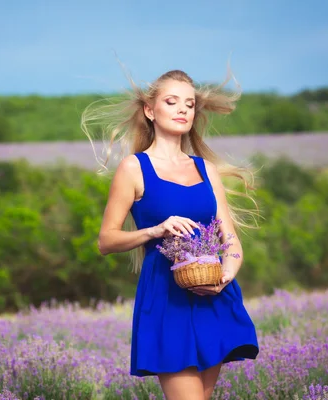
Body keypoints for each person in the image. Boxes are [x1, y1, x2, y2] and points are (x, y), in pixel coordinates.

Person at [81, 68, 260, 400]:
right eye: (172, 101)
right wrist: (154, 230)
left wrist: (225, 276)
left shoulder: (204, 168)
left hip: (215, 296)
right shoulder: (134, 168)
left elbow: (230, 238)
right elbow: (106, 240)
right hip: (167, 301)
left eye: (190, 104)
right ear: (150, 111)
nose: (183, 110)